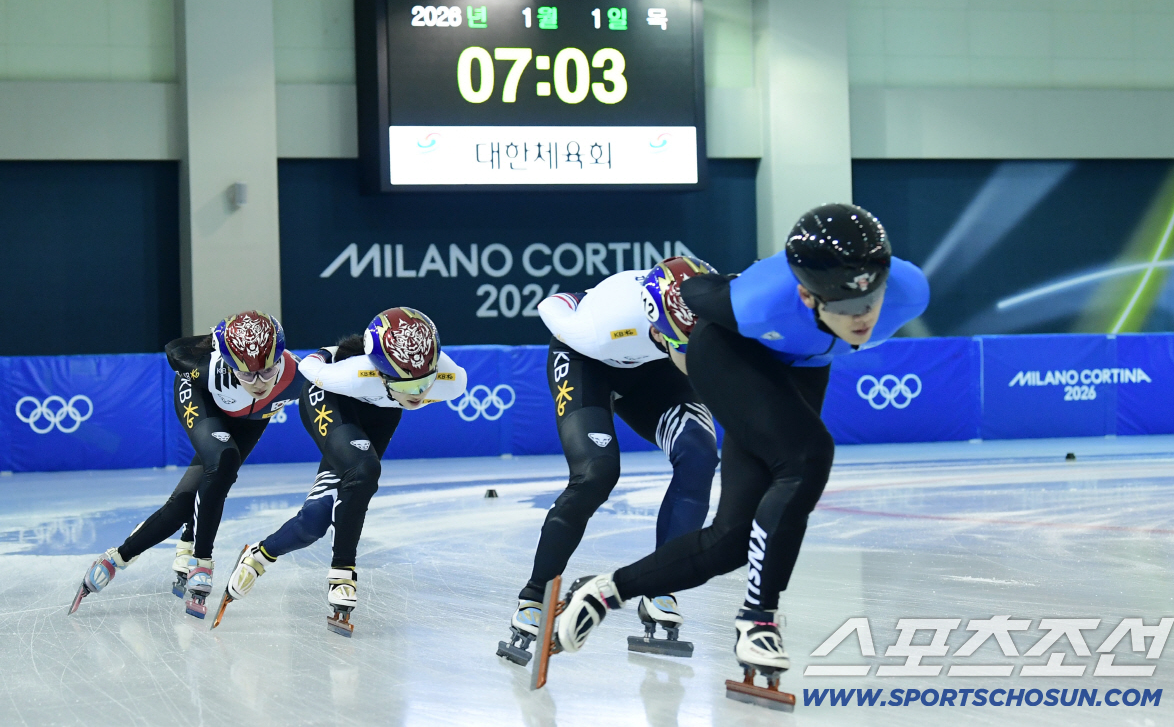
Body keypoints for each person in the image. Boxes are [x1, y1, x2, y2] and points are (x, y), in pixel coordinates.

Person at [548, 204, 930, 702]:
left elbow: (854, 313)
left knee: (731, 541)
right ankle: (758, 620)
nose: (861, 318)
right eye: (842, 305)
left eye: (871, 301)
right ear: (805, 293)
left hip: (803, 365)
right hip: (728, 353)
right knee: (807, 456)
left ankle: (604, 591)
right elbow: (695, 290)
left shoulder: (910, 290)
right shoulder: (757, 301)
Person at [497, 260, 720, 666]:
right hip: (586, 361)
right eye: (686, 342)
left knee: (700, 456)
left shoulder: (716, 309)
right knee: (596, 473)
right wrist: (583, 300)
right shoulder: (600, 326)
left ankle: (661, 586)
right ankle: (535, 595)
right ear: (656, 327)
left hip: (653, 368)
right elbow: (554, 304)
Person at [209, 307, 466, 636]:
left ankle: (261, 555)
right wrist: (325, 354)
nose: (420, 394)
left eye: (426, 383)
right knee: (365, 469)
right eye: (410, 385)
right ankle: (343, 570)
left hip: (381, 414)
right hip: (331, 399)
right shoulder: (351, 374)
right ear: (381, 372)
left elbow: (421, 386)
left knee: (316, 519)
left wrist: (411, 387)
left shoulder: (451, 380)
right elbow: (308, 367)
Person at [70, 311, 306, 617]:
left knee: (193, 496)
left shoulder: (299, 375)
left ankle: (117, 558)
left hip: (251, 421)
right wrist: (213, 340)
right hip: (201, 399)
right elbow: (174, 349)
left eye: (267, 371)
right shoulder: (206, 367)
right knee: (223, 460)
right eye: (247, 374)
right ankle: (201, 561)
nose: (259, 382)